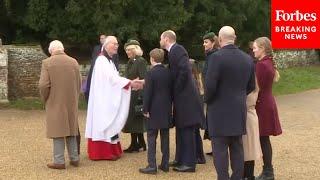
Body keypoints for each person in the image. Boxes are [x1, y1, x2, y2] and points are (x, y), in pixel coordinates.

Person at [205, 26, 255, 180]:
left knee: (219, 150)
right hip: (238, 109)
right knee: (237, 148)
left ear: (219, 40)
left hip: (219, 110)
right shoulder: (247, 58)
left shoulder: (216, 57)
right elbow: (251, 86)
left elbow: (210, 86)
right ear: (235, 37)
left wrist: (208, 99)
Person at [85, 36, 140, 160]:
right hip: (103, 98)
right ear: (107, 45)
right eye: (114, 44)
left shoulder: (109, 60)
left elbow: (114, 78)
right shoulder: (101, 60)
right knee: (105, 121)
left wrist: (128, 83)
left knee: (111, 120)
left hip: (108, 96)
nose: (117, 46)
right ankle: (102, 152)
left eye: (117, 44)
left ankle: (112, 150)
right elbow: (112, 79)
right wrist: (129, 83)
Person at [160, 30, 205, 172]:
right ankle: (181, 158)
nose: (160, 40)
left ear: (166, 39)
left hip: (186, 96)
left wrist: (176, 89)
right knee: (181, 128)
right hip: (183, 96)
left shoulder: (178, 49)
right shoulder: (172, 52)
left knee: (186, 128)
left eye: (161, 38)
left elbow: (185, 71)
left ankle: (189, 163)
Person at [38, 40, 81, 169]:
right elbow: (79, 83)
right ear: (62, 49)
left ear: (51, 51)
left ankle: (59, 160)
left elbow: (43, 85)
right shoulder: (74, 62)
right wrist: (75, 97)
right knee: (71, 129)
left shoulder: (47, 63)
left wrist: (45, 99)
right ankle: (74, 158)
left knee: (57, 129)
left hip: (55, 100)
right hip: (71, 101)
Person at [139, 48, 172, 174]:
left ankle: (152, 165)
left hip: (153, 109)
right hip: (166, 108)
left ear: (152, 59)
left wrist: (145, 108)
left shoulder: (150, 73)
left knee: (151, 137)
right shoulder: (168, 72)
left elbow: (148, 93)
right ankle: (165, 163)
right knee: (165, 137)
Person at [253, 37, 282, 180]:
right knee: (264, 139)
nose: (253, 50)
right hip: (267, 102)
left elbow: (256, 89)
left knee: (263, 139)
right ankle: (268, 170)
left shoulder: (261, 65)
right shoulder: (268, 62)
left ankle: (268, 172)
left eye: (255, 48)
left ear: (263, 48)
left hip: (262, 104)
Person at [122, 39, 148, 153]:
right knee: (132, 119)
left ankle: (139, 143)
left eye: (129, 49)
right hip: (130, 93)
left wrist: (140, 95)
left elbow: (144, 78)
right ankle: (137, 143)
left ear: (135, 50)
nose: (127, 52)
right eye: (126, 50)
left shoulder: (140, 61)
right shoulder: (130, 61)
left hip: (137, 94)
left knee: (136, 119)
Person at [201, 32, 220, 155]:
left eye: (206, 42)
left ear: (213, 42)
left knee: (215, 121)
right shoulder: (209, 55)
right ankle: (215, 148)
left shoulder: (215, 56)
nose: (204, 44)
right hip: (210, 93)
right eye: (204, 42)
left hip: (215, 95)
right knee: (212, 121)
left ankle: (218, 148)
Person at [242, 78, 262, 180]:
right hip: (251, 115)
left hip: (247, 115)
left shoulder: (248, 86)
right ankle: (248, 174)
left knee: (247, 147)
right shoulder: (254, 82)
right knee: (250, 147)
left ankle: (247, 175)